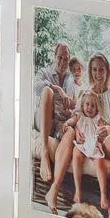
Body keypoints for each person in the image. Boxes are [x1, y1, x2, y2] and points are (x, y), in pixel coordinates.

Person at [45, 52, 110, 218]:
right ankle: (54, 189)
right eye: (94, 69)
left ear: (107, 71)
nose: (97, 73)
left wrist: (107, 130)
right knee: (70, 133)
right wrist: (76, 129)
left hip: (106, 136)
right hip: (86, 136)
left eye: (101, 69)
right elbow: (77, 117)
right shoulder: (85, 93)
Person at [33, 43, 74, 182]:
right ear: (54, 57)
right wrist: (57, 88)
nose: (63, 62)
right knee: (48, 91)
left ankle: (58, 185)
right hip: (44, 119)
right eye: (60, 58)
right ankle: (44, 151)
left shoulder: (71, 79)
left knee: (70, 131)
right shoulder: (44, 72)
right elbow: (36, 86)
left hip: (59, 122)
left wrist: (71, 111)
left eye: (66, 59)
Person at [64, 90, 110, 212]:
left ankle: (103, 195)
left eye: (93, 106)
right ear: (83, 106)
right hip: (82, 144)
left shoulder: (98, 118)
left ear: (97, 108)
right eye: (87, 104)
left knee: (99, 162)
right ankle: (78, 190)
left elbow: (103, 128)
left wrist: (103, 130)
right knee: (76, 155)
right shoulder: (79, 116)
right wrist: (67, 123)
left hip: (94, 144)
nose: (90, 108)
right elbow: (72, 121)